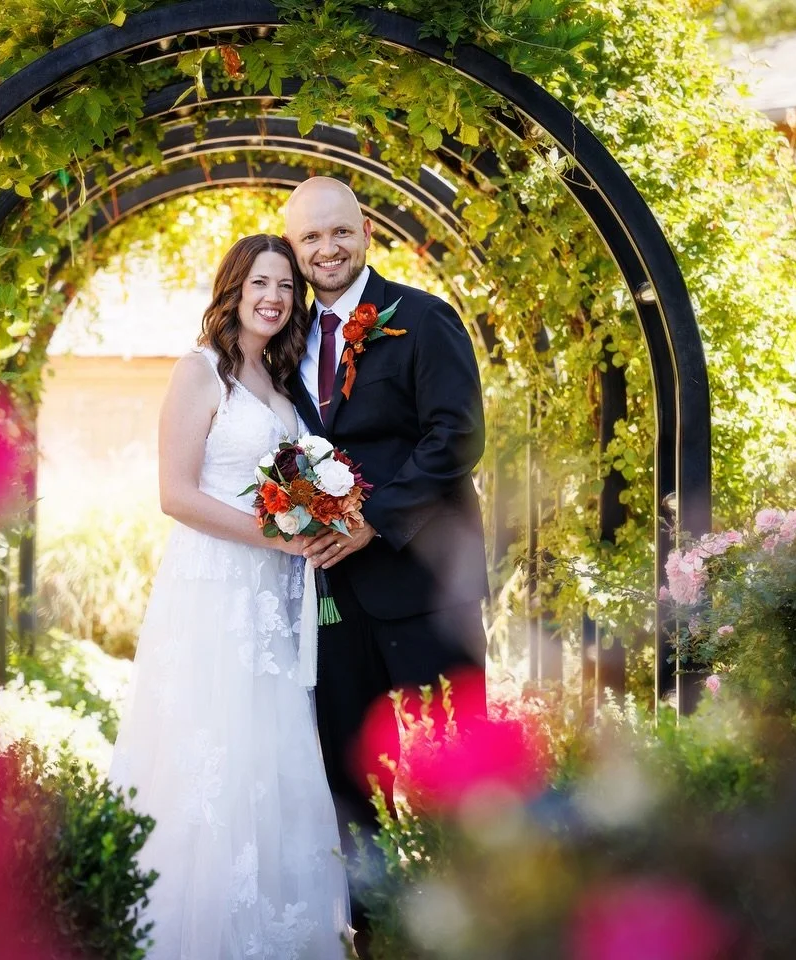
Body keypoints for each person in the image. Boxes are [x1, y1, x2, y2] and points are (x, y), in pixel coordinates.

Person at [108, 234, 350, 958]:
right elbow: (176, 495)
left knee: (273, 744)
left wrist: (312, 518)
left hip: (277, 596)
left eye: (286, 287)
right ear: (234, 290)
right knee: (212, 745)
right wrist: (280, 538)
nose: (274, 298)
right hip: (214, 588)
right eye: (260, 284)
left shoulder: (282, 380)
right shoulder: (200, 371)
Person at [282, 177, 490, 951]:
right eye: (310, 238)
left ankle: (472, 929)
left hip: (426, 590)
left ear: (365, 231)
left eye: (339, 231)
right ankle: (372, 934)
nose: (327, 249)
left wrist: (374, 521)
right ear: (295, 250)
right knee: (351, 778)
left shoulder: (423, 319)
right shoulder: (288, 341)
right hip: (332, 600)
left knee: (453, 770)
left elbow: (457, 437)